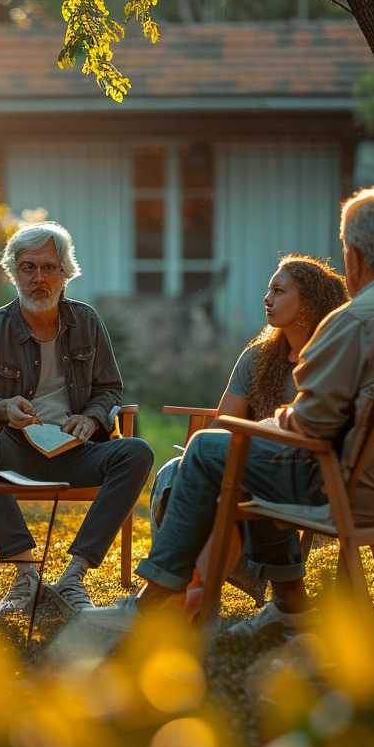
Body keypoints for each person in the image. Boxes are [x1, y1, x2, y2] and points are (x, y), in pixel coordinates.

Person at [87, 186, 374, 637]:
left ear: (356, 257)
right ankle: (291, 608)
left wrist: (266, 425)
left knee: (215, 447)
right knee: (256, 459)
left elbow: (312, 426)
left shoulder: (353, 321)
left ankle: (151, 604)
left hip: (344, 488)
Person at [0, 221, 154, 614]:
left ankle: (72, 578)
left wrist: (92, 419)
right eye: (28, 267)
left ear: (64, 273)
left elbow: (110, 389)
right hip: (14, 454)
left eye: (49, 267)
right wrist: (0, 408)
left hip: (76, 452)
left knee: (137, 452)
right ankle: (26, 574)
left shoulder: (87, 322)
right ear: (13, 272)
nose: (39, 278)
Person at [151, 255, 349, 610]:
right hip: (250, 464)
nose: (267, 299)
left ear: (307, 303)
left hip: (301, 477)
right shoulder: (257, 358)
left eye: (278, 290)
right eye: (267, 289)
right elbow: (224, 426)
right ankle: (190, 591)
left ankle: (182, 596)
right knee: (173, 471)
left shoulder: (332, 360)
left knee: (225, 479)